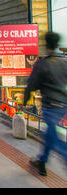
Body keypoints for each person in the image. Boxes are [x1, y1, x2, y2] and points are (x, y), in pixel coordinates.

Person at [23, 32, 67, 176]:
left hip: (49, 106)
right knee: (50, 133)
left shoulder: (42, 64)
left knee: (54, 138)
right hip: (63, 105)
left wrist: (25, 99)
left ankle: (49, 159)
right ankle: (42, 161)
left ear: (46, 44)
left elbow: (31, 85)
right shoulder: (64, 61)